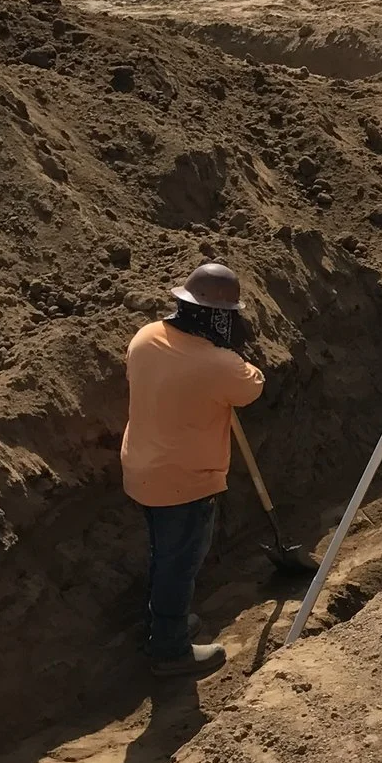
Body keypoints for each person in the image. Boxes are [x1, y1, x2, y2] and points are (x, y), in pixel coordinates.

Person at [121, 262, 264, 677]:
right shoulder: (219, 364)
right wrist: (235, 355)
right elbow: (252, 387)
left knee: (161, 553)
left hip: (141, 468)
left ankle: (163, 621)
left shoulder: (145, 337)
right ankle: (170, 648)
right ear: (218, 317)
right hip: (186, 482)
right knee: (179, 564)